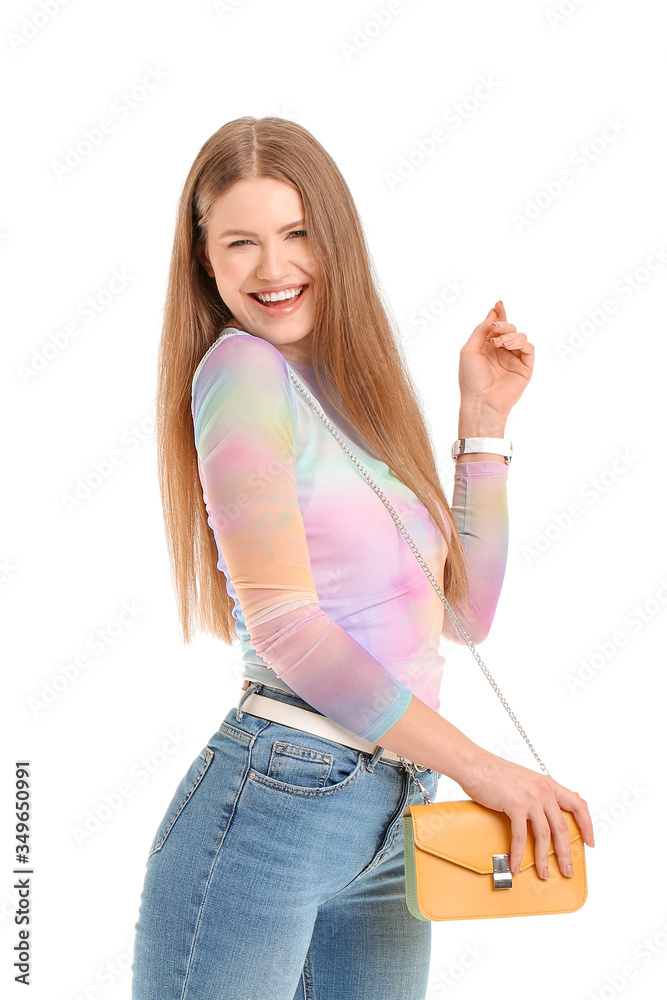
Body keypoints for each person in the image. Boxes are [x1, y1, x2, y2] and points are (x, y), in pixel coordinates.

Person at [130, 116, 594, 1000]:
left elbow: (462, 616)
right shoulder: (241, 371)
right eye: (241, 243)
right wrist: (485, 769)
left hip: (393, 811)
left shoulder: (349, 397)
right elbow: (286, 627)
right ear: (205, 263)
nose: (274, 267)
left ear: (335, 237)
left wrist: (482, 422)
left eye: (298, 232)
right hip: (277, 800)